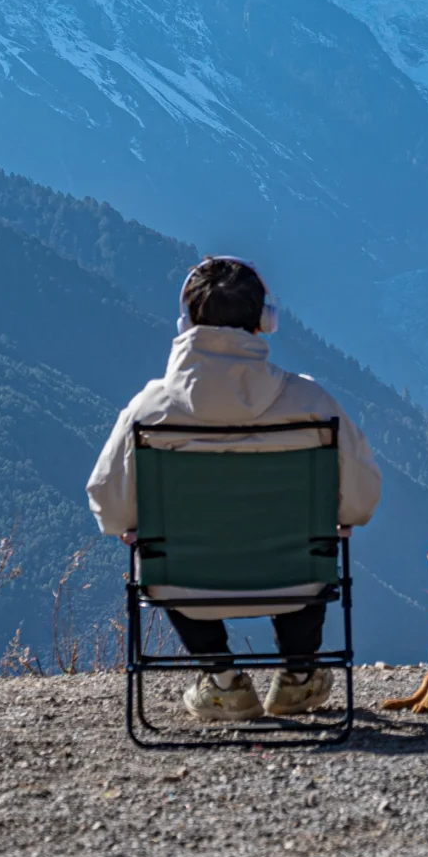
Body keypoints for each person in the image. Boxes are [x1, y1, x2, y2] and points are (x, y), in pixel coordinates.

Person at [87, 255, 381, 723]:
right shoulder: (311, 402)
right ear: (265, 320)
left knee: (156, 557)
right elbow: (361, 498)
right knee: (311, 545)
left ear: (185, 322)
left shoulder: (150, 409)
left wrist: (129, 527)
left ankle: (224, 683)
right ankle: (299, 676)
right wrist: (341, 519)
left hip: (184, 582)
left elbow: (109, 503)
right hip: (296, 579)